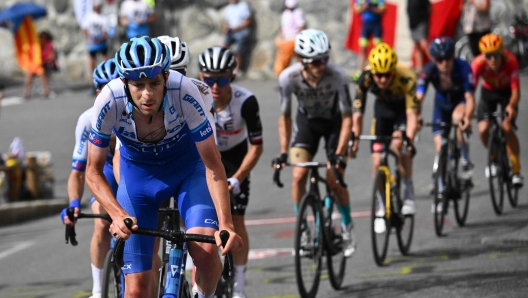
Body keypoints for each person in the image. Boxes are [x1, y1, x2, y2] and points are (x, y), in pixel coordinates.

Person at [85, 36, 242, 298]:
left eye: (155, 83)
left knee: (204, 253)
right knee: (135, 291)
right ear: (124, 82)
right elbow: (93, 170)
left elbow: (213, 165)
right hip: (139, 178)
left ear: (166, 77)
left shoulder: (186, 92)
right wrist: (115, 213)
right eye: (138, 84)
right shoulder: (108, 100)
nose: (147, 94)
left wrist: (226, 223)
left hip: (188, 171)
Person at [273, 29, 357, 258]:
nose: (321, 65)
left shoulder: (338, 76)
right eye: (316, 61)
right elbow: (285, 117)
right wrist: (283, 152)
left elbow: (348, 118)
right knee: (298, 175)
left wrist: (340, 154)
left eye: (325, 59)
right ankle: (302, 228)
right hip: (307, 123)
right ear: (302, 61)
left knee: (335, 179)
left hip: (334, 124)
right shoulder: (288, 78)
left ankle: (347, 225)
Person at [198, 46, 263, 298]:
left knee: (236, 221)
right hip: (205, 157)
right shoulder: (193, 98)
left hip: (235, 158)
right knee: (199, 222)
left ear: (232, 78)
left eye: (221, 79)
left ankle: (240, 285)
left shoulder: (246, 101)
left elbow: (257, 147)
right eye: (208, 79)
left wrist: (237, 179)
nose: (215, 86)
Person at [60, 58, 119, 298]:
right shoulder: (87, 119)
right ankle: (97, 290)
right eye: (103, 88)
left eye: (114, 86)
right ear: (96, 91)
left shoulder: (134, 112)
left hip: (134, 168)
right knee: (102, 224)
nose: (109, 93)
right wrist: (74, 203)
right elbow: (78, 171)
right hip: (103, 169)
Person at [351, 43, 419, 232]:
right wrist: (354, 140)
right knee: (376, 161)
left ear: (393, 72)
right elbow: (357, 115)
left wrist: (409, 140)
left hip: (402, 112)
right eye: (378, 75)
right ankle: (382, 207)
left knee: (399, 145)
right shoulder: (365, 78)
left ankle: (407, 189)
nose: (381, 79)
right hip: (381, 113)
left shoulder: (406, 77)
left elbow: (413, 116)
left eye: (386, 75)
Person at [417, 37, 475, 207]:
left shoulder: (463, 67)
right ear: (434, 60)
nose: (444, 63)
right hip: (441, 107)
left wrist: (468, 118)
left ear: (453, 56)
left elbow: (470, 97)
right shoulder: (429, 70)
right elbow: (418, 98)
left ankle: (464, 159)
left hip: (459, 103)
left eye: (448, 58)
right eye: (439, 60)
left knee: (458, 119)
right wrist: (416, 118)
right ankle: (441, 188)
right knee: (439, 147)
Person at [471, 33, 523, 187]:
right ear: (483, 55)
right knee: (483, 129)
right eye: (489, 56)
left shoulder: (511, 61)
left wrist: (511, 106)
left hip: (507, 94)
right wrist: (467, 109)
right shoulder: (478, 63)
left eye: (496, 55)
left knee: (507, 127)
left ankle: (516, 170)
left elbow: (516, 92)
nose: (493, 60)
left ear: (502, 53)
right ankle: (493, 157)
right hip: (488, 94)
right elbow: (470, 91)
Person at [352, 0, 386, 81]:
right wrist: (364, 7)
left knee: (378, 50)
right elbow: (357, 11)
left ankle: (378, 72)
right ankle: (360, 72)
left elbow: (383, 10)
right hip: (365, 25)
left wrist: (370, 7)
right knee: (363, 49)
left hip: (376, 25)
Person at [273, 0, 306, 76]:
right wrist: (280, 37)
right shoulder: (286, 13)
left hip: (294, 38)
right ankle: (283, 78)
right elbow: (284, 28)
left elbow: (301, 26)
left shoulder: (297, 12)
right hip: (286, 39)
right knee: (284, 61)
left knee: (301, 59)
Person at [82, 0, 110, 86]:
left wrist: (101, 37)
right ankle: (92, 82)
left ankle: (106, 79)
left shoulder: (104, 17)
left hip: (101, 42)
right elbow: (84, 30)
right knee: (92, 63)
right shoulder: (89, 17)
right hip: (92, 43)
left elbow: (106, 31)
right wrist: (90, 36)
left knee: (105, 61)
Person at [221, 0, 253, 75]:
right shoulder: (229, 7)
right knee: (222, 47)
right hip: (231, 32)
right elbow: (227, 22)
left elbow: (249, 20)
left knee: (239, 51)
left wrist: (237, 28)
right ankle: (222, 67)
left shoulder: (243, 6)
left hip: (242, 32)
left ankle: (236, 70)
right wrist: (225, 29)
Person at [23, 31, 56, 99]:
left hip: (47, 65)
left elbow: (52, 57)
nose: (42, 39)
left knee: (42, 72)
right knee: (30, 73)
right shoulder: (37, 46)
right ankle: (27, 92)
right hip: (37, 66)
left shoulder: (49, 45)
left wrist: (43, 62)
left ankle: (46, 91)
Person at [407, 0, 431, 73]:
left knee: (424, 45)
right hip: (413, 24)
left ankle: (436, 63)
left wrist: (425, 18)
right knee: (417, 46)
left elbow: (430, 9)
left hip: (421, 23)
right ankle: (419, 69)